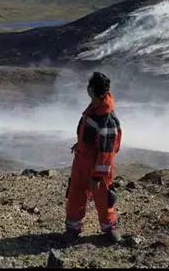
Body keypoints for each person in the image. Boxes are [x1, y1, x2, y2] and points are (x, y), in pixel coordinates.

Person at [64, 71, 122, 244]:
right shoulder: (94, 109)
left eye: (90, 88)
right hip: (82, 160)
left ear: (93, 91)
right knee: (75, 193)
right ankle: (72, 228)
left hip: (98, 167)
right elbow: (88, 135)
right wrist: (80, 145)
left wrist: (98, 176)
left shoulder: (107, 119)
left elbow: (106, 152)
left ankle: (109, 228)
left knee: (103, 197)